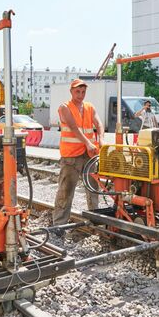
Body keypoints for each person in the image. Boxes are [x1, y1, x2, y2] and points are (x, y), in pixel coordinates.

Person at [53, 79, 104, 225]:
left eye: (83, 92)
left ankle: (94, 220)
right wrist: (88, 143)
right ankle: (59, 224)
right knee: (66, 190)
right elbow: (74, 128)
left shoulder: (89, 107)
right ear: (71, 92)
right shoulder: (65, 107)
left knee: (93, 189)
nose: (81, 95)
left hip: (89, 155)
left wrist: (101, 139)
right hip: (71, 156)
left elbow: (99, 124)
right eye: (77, 91)